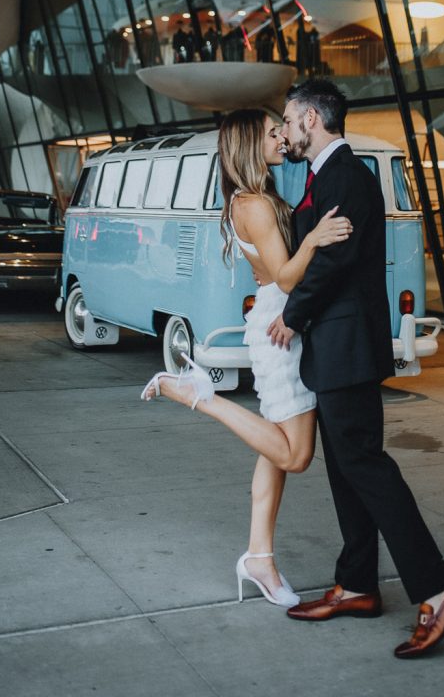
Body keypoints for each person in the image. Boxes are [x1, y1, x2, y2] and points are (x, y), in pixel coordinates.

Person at [267, 78, 444, 659]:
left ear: (311, 117)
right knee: (348, 469)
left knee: (366, 466)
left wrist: (293, 314)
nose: (285, 129)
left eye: (289, 119)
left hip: (345, 346)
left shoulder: (346, 177)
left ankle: (438, 587)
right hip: (338, 349)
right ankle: (358, 584)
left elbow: (332, 261)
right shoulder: (323, 175)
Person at [140, 107, 353, 608]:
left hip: (279, 322)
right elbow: (284, 277)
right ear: (247, 144)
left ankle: (259, 556)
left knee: (272, 452)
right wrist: (318, 239)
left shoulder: (256, 197)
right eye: (271, 133)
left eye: (282, 129)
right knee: (295, 455)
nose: (282, 137)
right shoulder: (254, 204)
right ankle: (199, 396)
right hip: (283, 327)